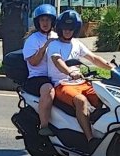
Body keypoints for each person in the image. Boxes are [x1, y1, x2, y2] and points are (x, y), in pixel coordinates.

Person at [48, 10, 114, 142]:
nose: (67, 31)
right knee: (81, 101)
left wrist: (113, 68)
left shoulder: (77, 43)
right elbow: (57, 61)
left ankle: (100, 129)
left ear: (75, 29)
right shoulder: (54, 45)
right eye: (65, 28)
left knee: (104, 96)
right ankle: (89, 138)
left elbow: (93, 58)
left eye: (71, 28)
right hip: (62, 84)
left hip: (81, 82)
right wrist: (69, 72)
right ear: (60, 29)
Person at [23, 4, 59, 136]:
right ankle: (44, 126)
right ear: (37, 22)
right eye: (42, 20)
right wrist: (45, 47)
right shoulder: (33, 40)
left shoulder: (57, 36)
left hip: (56, 75)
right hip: (38, 77)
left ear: (52, 21)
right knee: (48, 90)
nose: (45, 23)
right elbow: (33, 62)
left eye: (48, 20)